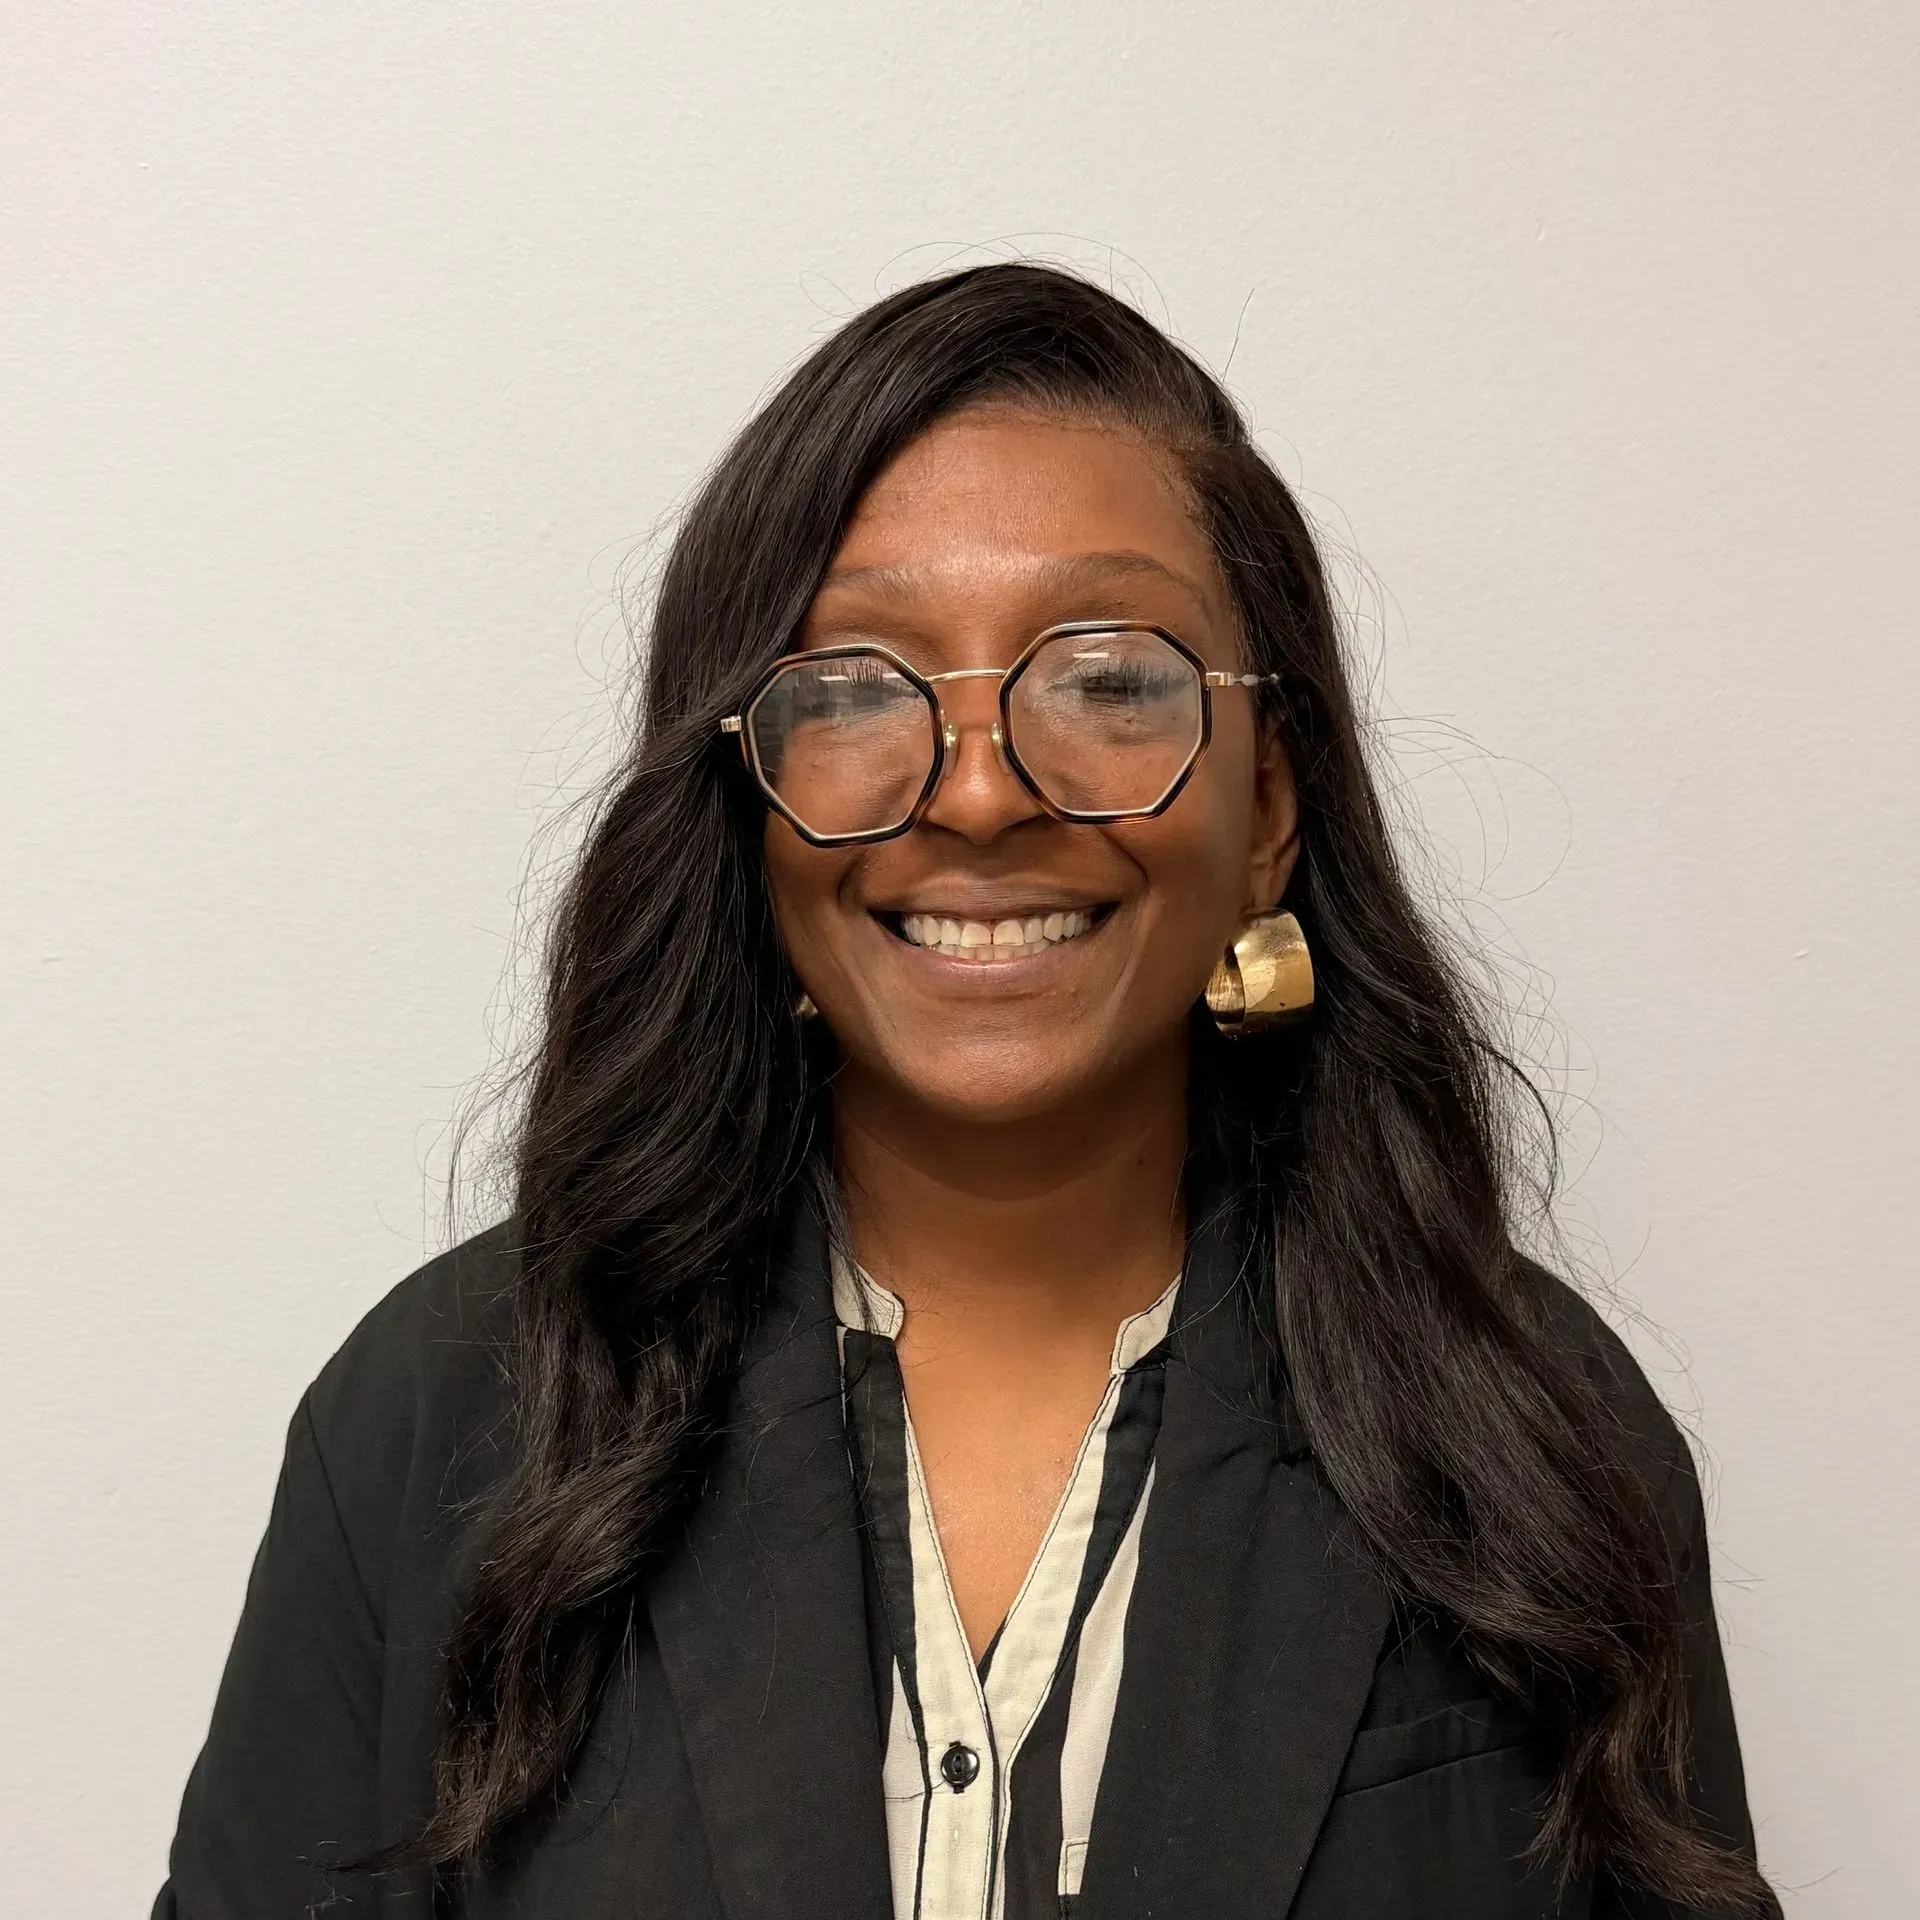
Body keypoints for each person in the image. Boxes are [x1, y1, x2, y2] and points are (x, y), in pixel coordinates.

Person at [156, 264, 1778, 1918]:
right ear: (749, 801)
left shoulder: (1536, 1432)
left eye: (1110, 677)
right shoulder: (437, 1419)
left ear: (1268, 807)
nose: (987, 791)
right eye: (859, 684)